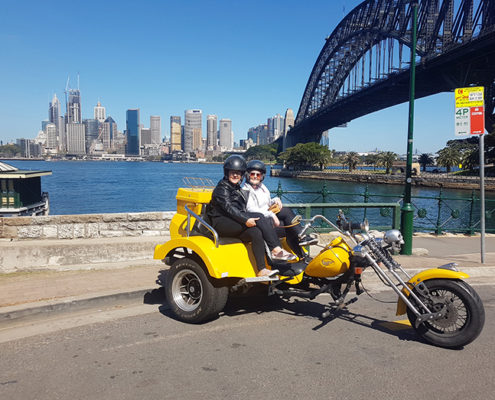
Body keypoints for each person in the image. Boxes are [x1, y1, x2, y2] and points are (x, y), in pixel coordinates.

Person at [206, 155, 294, 277]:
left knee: (255, 232)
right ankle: (275, 249)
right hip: (221, 222)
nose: (236, 175)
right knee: (259, 216)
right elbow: (229, 208)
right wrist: (245, 219)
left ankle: (262, 269)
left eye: (238, 173)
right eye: (233, 173)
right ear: (227, 173)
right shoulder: (222, 189)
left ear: (242, 175)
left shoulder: (236, 187)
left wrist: (273, 202)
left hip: (233, 221)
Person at [242, 159, 318, 258]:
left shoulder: (262, 188)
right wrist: (271, 214)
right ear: (248, 175)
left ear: (262, 176)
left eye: (258, 175)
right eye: (253, 174)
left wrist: (275, 200)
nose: (255, 177)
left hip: (266, 215)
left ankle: (302, 253)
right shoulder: (246, 190)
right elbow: (251, 209)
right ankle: (296, 242)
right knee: (289, 225)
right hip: (259, 221)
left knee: (288, 219)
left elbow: (267, 202)